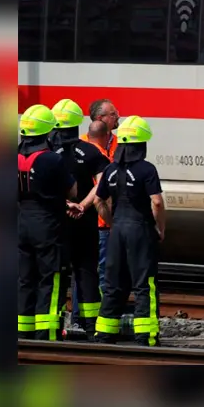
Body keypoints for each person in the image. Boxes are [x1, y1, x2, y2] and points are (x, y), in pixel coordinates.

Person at [93, 115, 166, 347]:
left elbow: (97, 200)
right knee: (145, 284)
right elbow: (156, 202)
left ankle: (105, 334)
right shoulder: (147, 169)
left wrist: (113, 222)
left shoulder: (111, 170)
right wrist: (159, 228)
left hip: (117, 232)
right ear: (141, 144)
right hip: (140, 230)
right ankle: (146, 335)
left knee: (113, 283)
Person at [17, 104, 77, 341]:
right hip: (48, 226)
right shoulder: (53, 159)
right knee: (50, 278)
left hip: (21, 223)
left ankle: (23, 328)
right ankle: (48, 331)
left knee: (25, 278)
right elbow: (72, 191)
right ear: (49, 132)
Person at [50, 99, 108, 337]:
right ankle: (91, 324)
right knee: (87, 272)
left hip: (56, 223)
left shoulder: (46, 153)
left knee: (57, 275)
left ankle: (54, 324)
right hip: (84, 222)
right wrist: (83, 205)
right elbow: (104, 180)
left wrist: (64, 205)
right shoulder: (90, 151)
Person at [85, 99, 119, 295]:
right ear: (100, 118)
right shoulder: (84, 145)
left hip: (110, 220)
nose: (117, 117)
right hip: (95, 220)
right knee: (95, 270)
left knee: (108, 270)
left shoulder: (118, 143)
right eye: (113, 114)